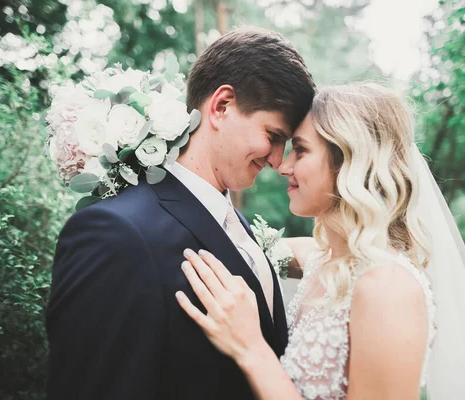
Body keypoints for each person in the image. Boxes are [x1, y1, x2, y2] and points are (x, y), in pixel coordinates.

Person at [176, 82, 465, 399]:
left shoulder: (388, 288)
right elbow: (254, 247)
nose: (282, 166)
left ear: (349, 164)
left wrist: (251, 348)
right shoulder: (327, 260)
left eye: (300, 150)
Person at [46, 27, 315, 400]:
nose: (276, 159)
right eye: (273, 136)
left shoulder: (232, 222)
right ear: (221, 106)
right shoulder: (116, 233)